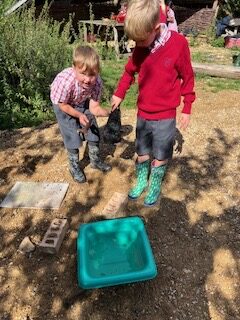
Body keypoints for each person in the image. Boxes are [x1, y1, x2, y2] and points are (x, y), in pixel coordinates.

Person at [111, 0, 195, 206]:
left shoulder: (178, 44)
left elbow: (188, 76)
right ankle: (141, 180)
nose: (136, 46)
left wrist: (187, 107)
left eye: (140, 40)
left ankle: (154, 184)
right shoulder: (141, 47)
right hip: (143, 114)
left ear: (155, 28)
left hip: (165, 116)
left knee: (160, 155)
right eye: (134, 41)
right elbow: (129, 71)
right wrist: (120, 93)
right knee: (141, 151)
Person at [50, 45, 112, 184]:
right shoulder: (66, 81)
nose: (87, 79)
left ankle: (95, 160)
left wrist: (109, 113)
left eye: (92, 75)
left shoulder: (96, 83)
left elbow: (94, 108)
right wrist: (78, 115)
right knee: (72, 135)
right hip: (63, 104)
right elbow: (63, 105)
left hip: (81, 99)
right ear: (74, 68)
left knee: (93, 129)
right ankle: (74, 167)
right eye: (83, 74)